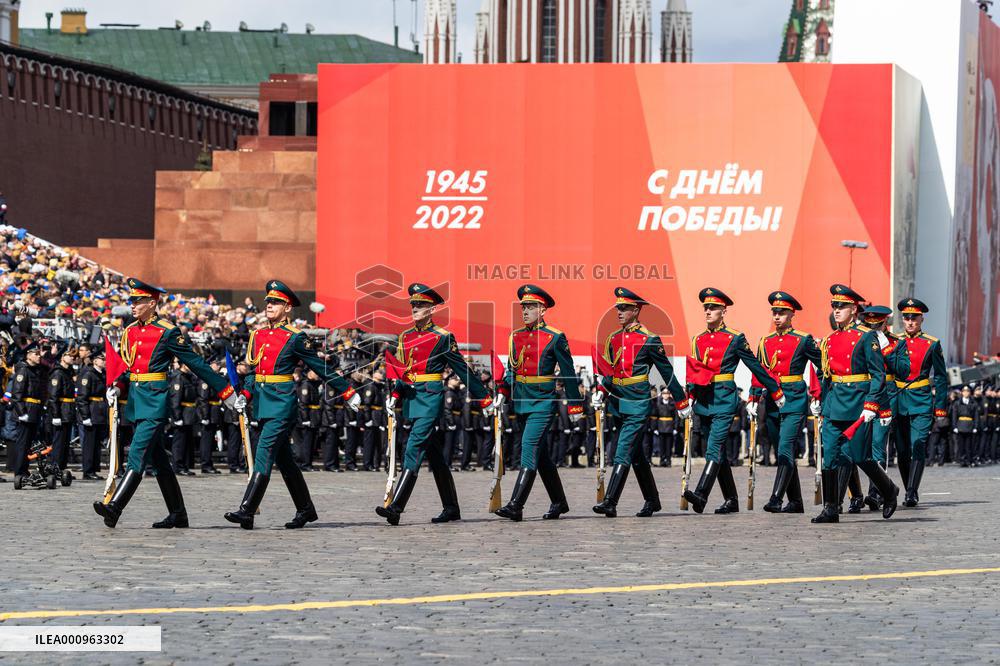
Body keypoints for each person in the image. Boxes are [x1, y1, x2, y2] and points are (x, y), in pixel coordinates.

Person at [94, 278, 240, 528]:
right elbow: (129, 368)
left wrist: (225, 390)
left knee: (138, 455)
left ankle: (115, 507)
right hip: (138, 402)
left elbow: (195, 363)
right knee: (159, 460)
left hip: (154, 401)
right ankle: (178, 513)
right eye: (132, 301)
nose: (133, 305)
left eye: (138, 301)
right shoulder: (130, 331)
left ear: (152, 303)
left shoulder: (167, 331)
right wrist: (118, 386)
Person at [224, 280, 359, 530]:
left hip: (281, 405)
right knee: (285, 460)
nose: (270, 306)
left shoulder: (296, 338)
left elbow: (320, 367)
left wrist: (347, 391)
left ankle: (247, 510)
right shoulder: (259, 335)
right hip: (264, 404)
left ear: (288, 308)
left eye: (276, 302)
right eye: (268, 302)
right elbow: (255, 373)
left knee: (263, 451)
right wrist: (245, 394)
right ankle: (306, 509)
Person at [377, 283, 494, 525]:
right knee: (436, 456)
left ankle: (396, 507)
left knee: (413, 447)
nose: (415, 309)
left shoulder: (442, 337)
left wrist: (483, 397)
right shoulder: (405, 336)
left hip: (430, 398)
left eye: (420, 305)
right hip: (411, 397)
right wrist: (395, 396)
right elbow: (402, 371)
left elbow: (461, 368)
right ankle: (451, 507)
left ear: (431, 310)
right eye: (413, 305)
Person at [683, 287, 784, 514]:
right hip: (704, 399)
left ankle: (701, 494)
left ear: (723, 310)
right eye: (706, 308)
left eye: (713, 308)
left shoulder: (735, 338)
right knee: (717, 453)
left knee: (714, 447)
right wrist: (688, 396)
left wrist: (774, 390)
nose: (708, 311)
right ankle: (731, 499)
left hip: (724, 398)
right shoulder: (697, 339)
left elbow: (755, 366)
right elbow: (694, 371)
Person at [591, 287, 691, 517]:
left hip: (637, 402)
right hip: (618, 402)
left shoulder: (649, 339)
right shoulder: (612, 338)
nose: (619, 312)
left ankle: (610, 501)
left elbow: (667, 372)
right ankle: (652, 500)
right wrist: (600, 390)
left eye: (624, 308)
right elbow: (609, 372)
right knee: (635, 455)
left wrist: (681, 402)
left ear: (636, 311)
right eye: (618, 308)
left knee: (622, 450)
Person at [495, 284, 584, 521]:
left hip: (543, 402)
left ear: (542, 310)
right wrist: (503, 391)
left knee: (528, 448)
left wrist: (575, 405)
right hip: (522, 401)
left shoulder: (555, 337)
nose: (524, 311)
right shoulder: (516, 336)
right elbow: (512, 369)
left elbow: (568, 372)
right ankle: (559, 502)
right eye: (523, 307)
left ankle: (516, 505)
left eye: (530, 307)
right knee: (541, 455)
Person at [811, 284, 899, 524]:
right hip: (834, 403)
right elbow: (827, 375)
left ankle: (889, 491)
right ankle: (830, 508)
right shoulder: (829, 340)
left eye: (841, 306)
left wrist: (872, 404)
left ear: (853, 309)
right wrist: (819, 399)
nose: (836, 310)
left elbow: (878, 374)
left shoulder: (866, 336)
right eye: (834, 306)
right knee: (829, 455)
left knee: (860, 456)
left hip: (858, 404)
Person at [747, 291, 822, 514]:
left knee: (784, 449)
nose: (777, 316)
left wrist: (821, 392)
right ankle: (796, 501)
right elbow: (759, 372)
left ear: (792, 314)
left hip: (794, 399)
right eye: (775, 312)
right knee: (783, 450)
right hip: (771, 402)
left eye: (782, 312)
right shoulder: (765, 341)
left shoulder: (803, 339)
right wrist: (753, 397)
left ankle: (776, 498)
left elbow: (823, 364)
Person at [860, 305, 897, 511]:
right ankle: (854, 495)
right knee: (856, 450)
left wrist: (887, 350)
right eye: (869, 324)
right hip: (861, 398)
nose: (874, 328)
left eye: (878, 324)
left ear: (885, 323)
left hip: (885, 399)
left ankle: (876, 492)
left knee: (877, 447)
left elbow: (902, 369)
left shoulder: (894, 344)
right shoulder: (860, 339)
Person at [9, 340, 45, 486]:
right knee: (22, 443)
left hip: (34, 410)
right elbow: (17, 394)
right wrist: (22, 412)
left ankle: (24, 469)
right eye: (36, 354)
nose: (39, 356)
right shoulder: (23, 370)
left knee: (28, 443)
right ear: (28, 355)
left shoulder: (35, 370)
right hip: (26, 411)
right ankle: (19, 471)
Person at [46, 346, 78, 474]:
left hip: (68, 410)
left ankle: (62, 468)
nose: (72, 358)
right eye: (70, 356)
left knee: (65, 442)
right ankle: (56, 467)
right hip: (61, 410)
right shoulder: (58, 373)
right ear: (63, 357)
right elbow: (53, 396)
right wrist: (55, 415)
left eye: (73, 357)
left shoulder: (68, 372)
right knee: (59, 442)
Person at [949, 385, 978, 467]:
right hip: (960, 425)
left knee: (968, 445)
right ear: (962, 392)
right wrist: (954, 426)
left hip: (969, 425)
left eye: (968, 391)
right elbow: (954, 416)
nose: (966, 393)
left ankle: (968, 460)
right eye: (964, 391)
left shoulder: (973, 403)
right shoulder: (957, 403)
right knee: (961, 445)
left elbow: (976, 416)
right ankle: (962, 460)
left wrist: (975, 427)